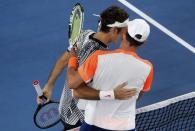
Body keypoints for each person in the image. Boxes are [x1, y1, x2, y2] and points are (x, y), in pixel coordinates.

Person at [37, 6, 137, 130]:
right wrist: (113, 94)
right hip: (78, 116)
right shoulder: (98, 56)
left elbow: (64, 60)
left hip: (66, 108)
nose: (125, 34)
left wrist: (49, 86)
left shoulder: (85, 34)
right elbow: (78, 90)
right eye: (124, 31)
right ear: (114, 30)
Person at [67, 19, 154, 131]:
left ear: (123, 34)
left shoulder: (98, 58)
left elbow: (75, 89)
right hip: (126, 127)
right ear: (144, 42)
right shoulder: (148, 68)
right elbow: (136, 97)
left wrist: (73, 59)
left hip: (94, 125)